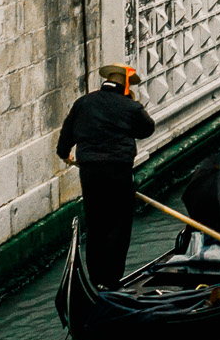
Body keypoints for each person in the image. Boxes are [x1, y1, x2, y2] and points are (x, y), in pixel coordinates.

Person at [57, 64, 155, 288]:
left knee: (96, 223)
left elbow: (67, 131)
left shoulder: (84, 102)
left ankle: (96, 280)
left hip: (90, 172)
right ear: (125, 86)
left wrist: (64, 154)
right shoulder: (129, 106)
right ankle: (111, 280)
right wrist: (132, 104)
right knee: (118, 225)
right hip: (118, 172)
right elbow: (147, 128)